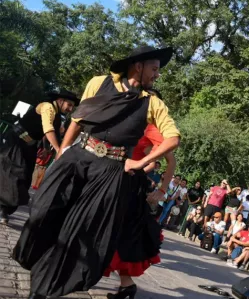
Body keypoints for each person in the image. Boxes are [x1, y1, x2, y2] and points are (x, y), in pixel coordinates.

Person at [13, 46, 180, 299]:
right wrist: (61, 154)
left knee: (78, 230)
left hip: (110, 171)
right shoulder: (99, 83)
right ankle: (37, 262)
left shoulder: (153, 103)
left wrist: (141, 162)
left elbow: (172, 139)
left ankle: (44, 288)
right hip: (78, 157)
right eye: (154, 69)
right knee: (43, 211)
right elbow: (78, 120)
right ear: (138, 66)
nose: (157, 75)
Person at [103, 88, 178, 299]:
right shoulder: (128, 118)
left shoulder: (153, 127)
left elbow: (170, 161)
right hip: (114, 177)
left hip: (128, 186)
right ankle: (126, 285)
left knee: (117, 232)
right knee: (117, 232)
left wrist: (162, 189)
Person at [0, 88, 79, 224]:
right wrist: (59, 149)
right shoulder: (47, 107)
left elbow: (44, 134)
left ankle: (6, 209)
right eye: (69, 105)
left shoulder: (57, 116)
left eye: (72, 106)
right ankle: (3, 209)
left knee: (25, 178)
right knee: (13, 175)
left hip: (29, 146)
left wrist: (47, 149)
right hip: (16, 142)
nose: (70, 109)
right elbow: (48, 129)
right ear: (60, 101)